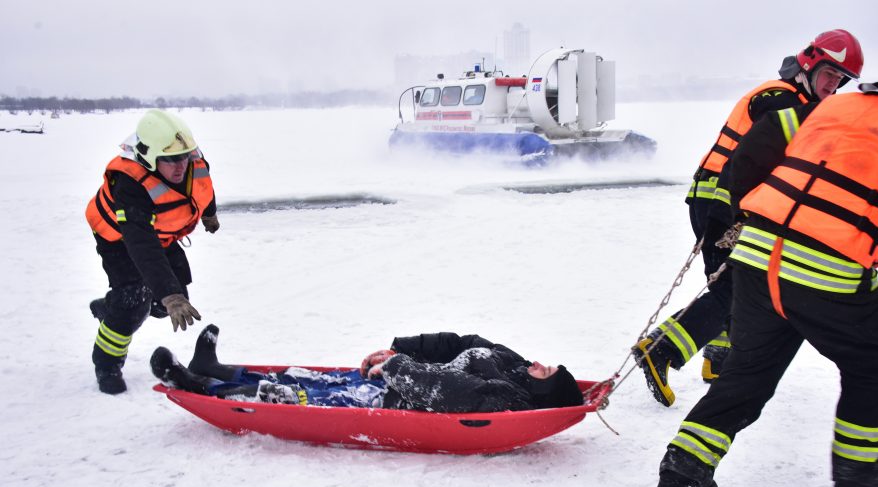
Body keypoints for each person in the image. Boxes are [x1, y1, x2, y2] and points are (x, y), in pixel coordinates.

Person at [651, 42, 878, 487]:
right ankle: (856, 470)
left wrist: (753, 216)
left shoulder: (829, 109)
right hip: (829, 278)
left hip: (758, 262)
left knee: (747, 372)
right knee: (877, 363)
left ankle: (682, 471)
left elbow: (749, 154)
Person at [633, 29, 864, 406]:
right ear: (809, 64)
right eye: (829, 75)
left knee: (737, 284)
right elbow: (755, 155)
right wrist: (732, 216)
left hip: (734, 202)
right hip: (721, 202)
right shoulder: (778, 98)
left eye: (840, 80)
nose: (833, 85)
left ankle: (718, 358)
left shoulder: (799, 102)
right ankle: (661, 349)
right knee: (737, 287)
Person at [150, 325, 585, 413]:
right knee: (306, 377)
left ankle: (199, 387)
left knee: (300, 398)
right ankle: (218, 369)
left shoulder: (504, 398)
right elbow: (464, 344)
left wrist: (398, 368)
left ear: (542, 393)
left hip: (392, 399)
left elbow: (449, 389)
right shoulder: (514, 365)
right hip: (388, 379)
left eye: (547, 373)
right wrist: (399, 349)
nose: (540, 364)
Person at [86, 109, 220, 395]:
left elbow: (203, 188)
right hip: (120, 238)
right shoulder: (129, 184)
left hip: (162, 235)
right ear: (147, 156)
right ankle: (107, 363)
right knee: (134, 301)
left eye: (183, 156)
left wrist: (209, 214)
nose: (180, 165)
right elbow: (141, 243)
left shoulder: (190, 161)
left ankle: (111, 308)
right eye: (170, 160)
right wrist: (168, 293)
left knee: (166, 305)